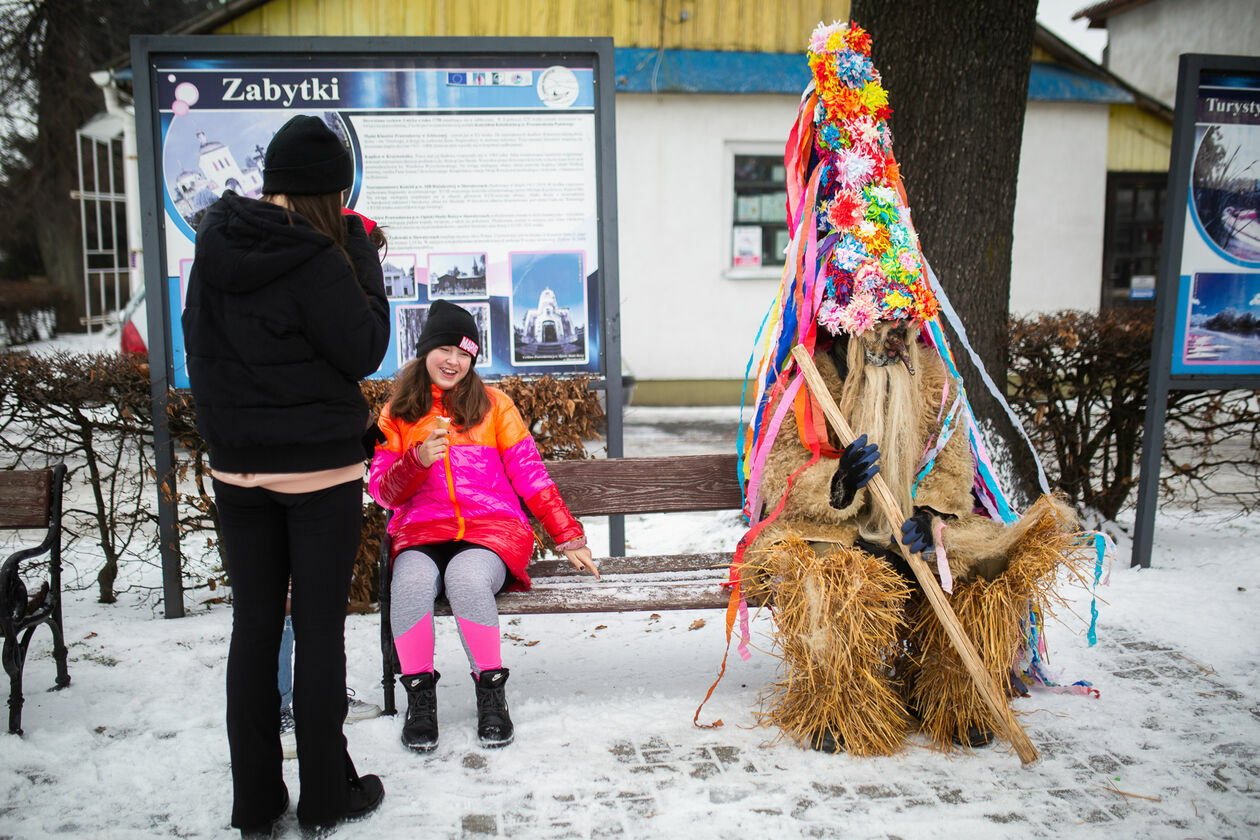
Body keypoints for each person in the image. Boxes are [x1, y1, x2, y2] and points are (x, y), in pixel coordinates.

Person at [183, 114, 389, 836]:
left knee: (256, 630)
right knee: (320, 632)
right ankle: (327, 798)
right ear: (329, 195)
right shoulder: (319, 258)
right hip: (318, 473)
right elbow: (364, 348)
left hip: (237, 472)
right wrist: (362, 257)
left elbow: (201, 351)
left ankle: (257, 803)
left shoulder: (214, 244)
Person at [368, 299, 598, 752]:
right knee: (410, 583)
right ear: (425, 350)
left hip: (492, 530)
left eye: (465, 352)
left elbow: (531, 475)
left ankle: (491, 693)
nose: (454, 361)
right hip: (422, 532)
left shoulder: (495, 405)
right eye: (445, 349)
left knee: (467, 579)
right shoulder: (397, 411)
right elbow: (382, 492)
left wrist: (567, 534)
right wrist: (416, 461)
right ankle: (420, 698)